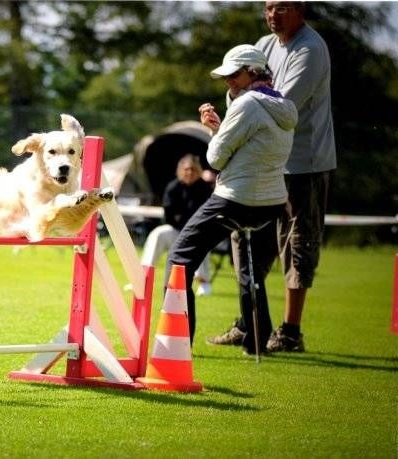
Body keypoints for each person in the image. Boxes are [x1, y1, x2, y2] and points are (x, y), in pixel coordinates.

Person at [208, 2, 336, 352]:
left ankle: (290, 332)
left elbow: (281, 105)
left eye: (281, 7)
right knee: (246, 239)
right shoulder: (262, 46)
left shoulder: (310, 48)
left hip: (303, 163)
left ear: (300, 9)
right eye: (268, 7)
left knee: (297, 242)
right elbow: (240, 93)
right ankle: (249, 322)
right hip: (261, 163)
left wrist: (238, 109)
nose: (272, 14)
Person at [167, 44, 297, 354]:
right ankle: (257, 341)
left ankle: (175, 346)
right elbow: (248, 147)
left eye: (233, 75)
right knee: (249, 272)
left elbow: (214, 159)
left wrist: (213, 133)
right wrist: (220, 128)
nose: (229, 83)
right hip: (272, 202)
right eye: (225, 78)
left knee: (178, 261)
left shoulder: (247, 104)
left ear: (252, 72)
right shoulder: (283, 105)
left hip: (235, 198)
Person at [141, 154, 214, 296]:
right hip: (176, 230)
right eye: (186, 169)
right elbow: (168, 215)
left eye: (193, 169)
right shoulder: (173, 187)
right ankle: (143, 276)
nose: (190, 172)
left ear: (198, 170)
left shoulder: (205, 189)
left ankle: (204, 282)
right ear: (180, 170)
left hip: (197, 232)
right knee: (158, 234)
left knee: (202, 240)